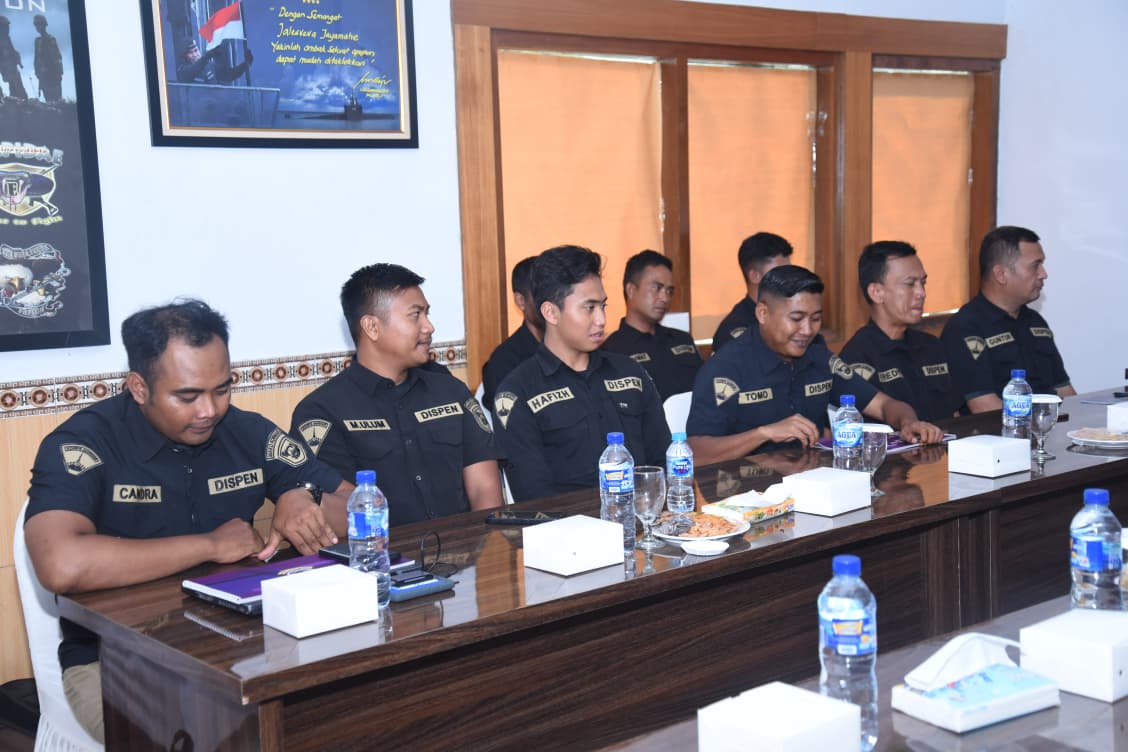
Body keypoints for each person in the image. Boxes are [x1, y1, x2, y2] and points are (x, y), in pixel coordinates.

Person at [23, 300, 347, 743]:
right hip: (118, 663)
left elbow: (360, 505)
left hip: (240, 647)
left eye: (222, 389)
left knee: (342, 717)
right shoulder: (84, 443)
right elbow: (61, 564)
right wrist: (210, 545)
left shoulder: (246, 431)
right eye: (188, 396)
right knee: (218, 739)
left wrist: (303, 495)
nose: (209, 410)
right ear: (139, 387)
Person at [291, 263, 504, 524]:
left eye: (427, 314)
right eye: (415, 315)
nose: (429, 327)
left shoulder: (452, 393)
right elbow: (334, 515)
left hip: (463, 546)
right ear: (372, 327)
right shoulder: (322, 412)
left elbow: (485, 492)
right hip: (379, 549)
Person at [686, 265, 944, 465]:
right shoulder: (725, 368)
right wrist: (763, 434)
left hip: (813, 484)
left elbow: (885, 405)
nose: (807, 330)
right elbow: (696, 452)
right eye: (796, 318)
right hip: (745, 496)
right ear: (763, 313)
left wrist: (908, 422)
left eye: (816, 319)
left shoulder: (819, 358)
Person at [494, 244, 670, 501]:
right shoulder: (518, 392)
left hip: (643, 516)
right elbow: (533, 497)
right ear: (551, 312)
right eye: (589, 308)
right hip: (569, 524)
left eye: (603, 306)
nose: (601, 320)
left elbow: (661, 464)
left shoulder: (631, 374)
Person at [941, 226, 1075, 412]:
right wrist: (1043, 421)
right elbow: (984, 407)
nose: (1043, 274)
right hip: (1005, 428)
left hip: (1049, 424)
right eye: (1035, 266)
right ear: (1001, 274)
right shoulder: (966, 328)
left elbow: (1064, 391)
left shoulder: (1035, 321)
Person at [837, 241, 960, 422]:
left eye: (923, 283)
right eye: (909, 284)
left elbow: (956, 415)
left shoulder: (932, 346)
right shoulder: (857, 357)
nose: (921, 293)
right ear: (876, 292)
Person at [602, 249, 703, 401]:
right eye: (657, 288)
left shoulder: (682, 340)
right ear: (631, 290)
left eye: (669, 291)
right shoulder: (612, 352)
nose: (664, 298)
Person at [711, 232, 793, 352]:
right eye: (780, 273)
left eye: (789, 271)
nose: (788, 278)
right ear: (754, 276)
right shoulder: (736, 330)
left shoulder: (794, 316)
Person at [480, 256, 542, 412]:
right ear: (521, 301)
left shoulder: (574, 349)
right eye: (542, 294)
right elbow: (508, 419)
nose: (552, 303)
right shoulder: (504, 362)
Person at [176, 37, 252, 85]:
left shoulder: (210, 66)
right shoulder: (182, 70)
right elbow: (193, 70)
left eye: (196, 50)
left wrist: (246, 64)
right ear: (185, 56)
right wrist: (206, 57)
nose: (195, 55)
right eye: (190, 53)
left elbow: (229, 75)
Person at [33, 14, 62, 102]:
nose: (38, 27)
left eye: (39, 24)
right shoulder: (37, 41)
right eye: (36, 24)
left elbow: (58, 56)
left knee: (57, 100)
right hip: (44, 75)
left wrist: (59, 72)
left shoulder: (51, 39)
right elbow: (36, 58)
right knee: (49, 100)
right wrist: (37, 72)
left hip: (54, 73)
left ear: (44, 24)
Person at [0, 16, 27, 100]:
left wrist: (17, 57)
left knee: (15, 90)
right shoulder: (2, 40)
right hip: (8, 69)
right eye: (5, 26)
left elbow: (12, 51)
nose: (8, 29)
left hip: (12, 68)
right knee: (18, 91)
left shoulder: (7, 39)